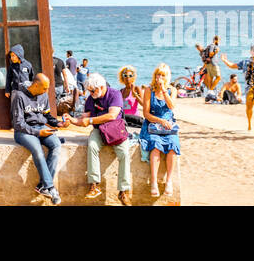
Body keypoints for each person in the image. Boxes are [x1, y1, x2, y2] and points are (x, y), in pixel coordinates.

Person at [68, 72, 130, 204]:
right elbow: (85, 118)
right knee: (92, 146)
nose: (90, 93)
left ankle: (123, 191)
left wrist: (90, 121)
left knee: (124, 153)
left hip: (115, 129)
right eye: (89, 90)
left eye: (92, 90)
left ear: (101, 87)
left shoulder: (114, 94)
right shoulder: (91, 99)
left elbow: (112, 115)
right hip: (99, 130)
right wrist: (71, 120)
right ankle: (94, 185)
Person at [10, 73, 67, 204]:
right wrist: (38, 133)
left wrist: (59, 123)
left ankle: (43, 185)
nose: (46, 91)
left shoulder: (43, 95)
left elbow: (47, 116)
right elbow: (18, 124)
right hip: (23, 131)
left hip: (41, 127)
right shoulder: (19, 96)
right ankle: (51, 187)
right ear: (35, 85)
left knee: (56, 145)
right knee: (37, 150)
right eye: (44, 88)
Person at [139, 64, 180, 197]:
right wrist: (160, 120)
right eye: (158, 74)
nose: (159, 77)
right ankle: (154, 182)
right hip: (153, 123)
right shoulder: (148, 90)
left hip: (168, 125)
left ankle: (168, 181)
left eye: (162, 75)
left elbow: (172, 106)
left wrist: (163, 91)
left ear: (167, 77)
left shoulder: (172, 90)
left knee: (173, 146)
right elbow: (146, 113)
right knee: (155, 146)